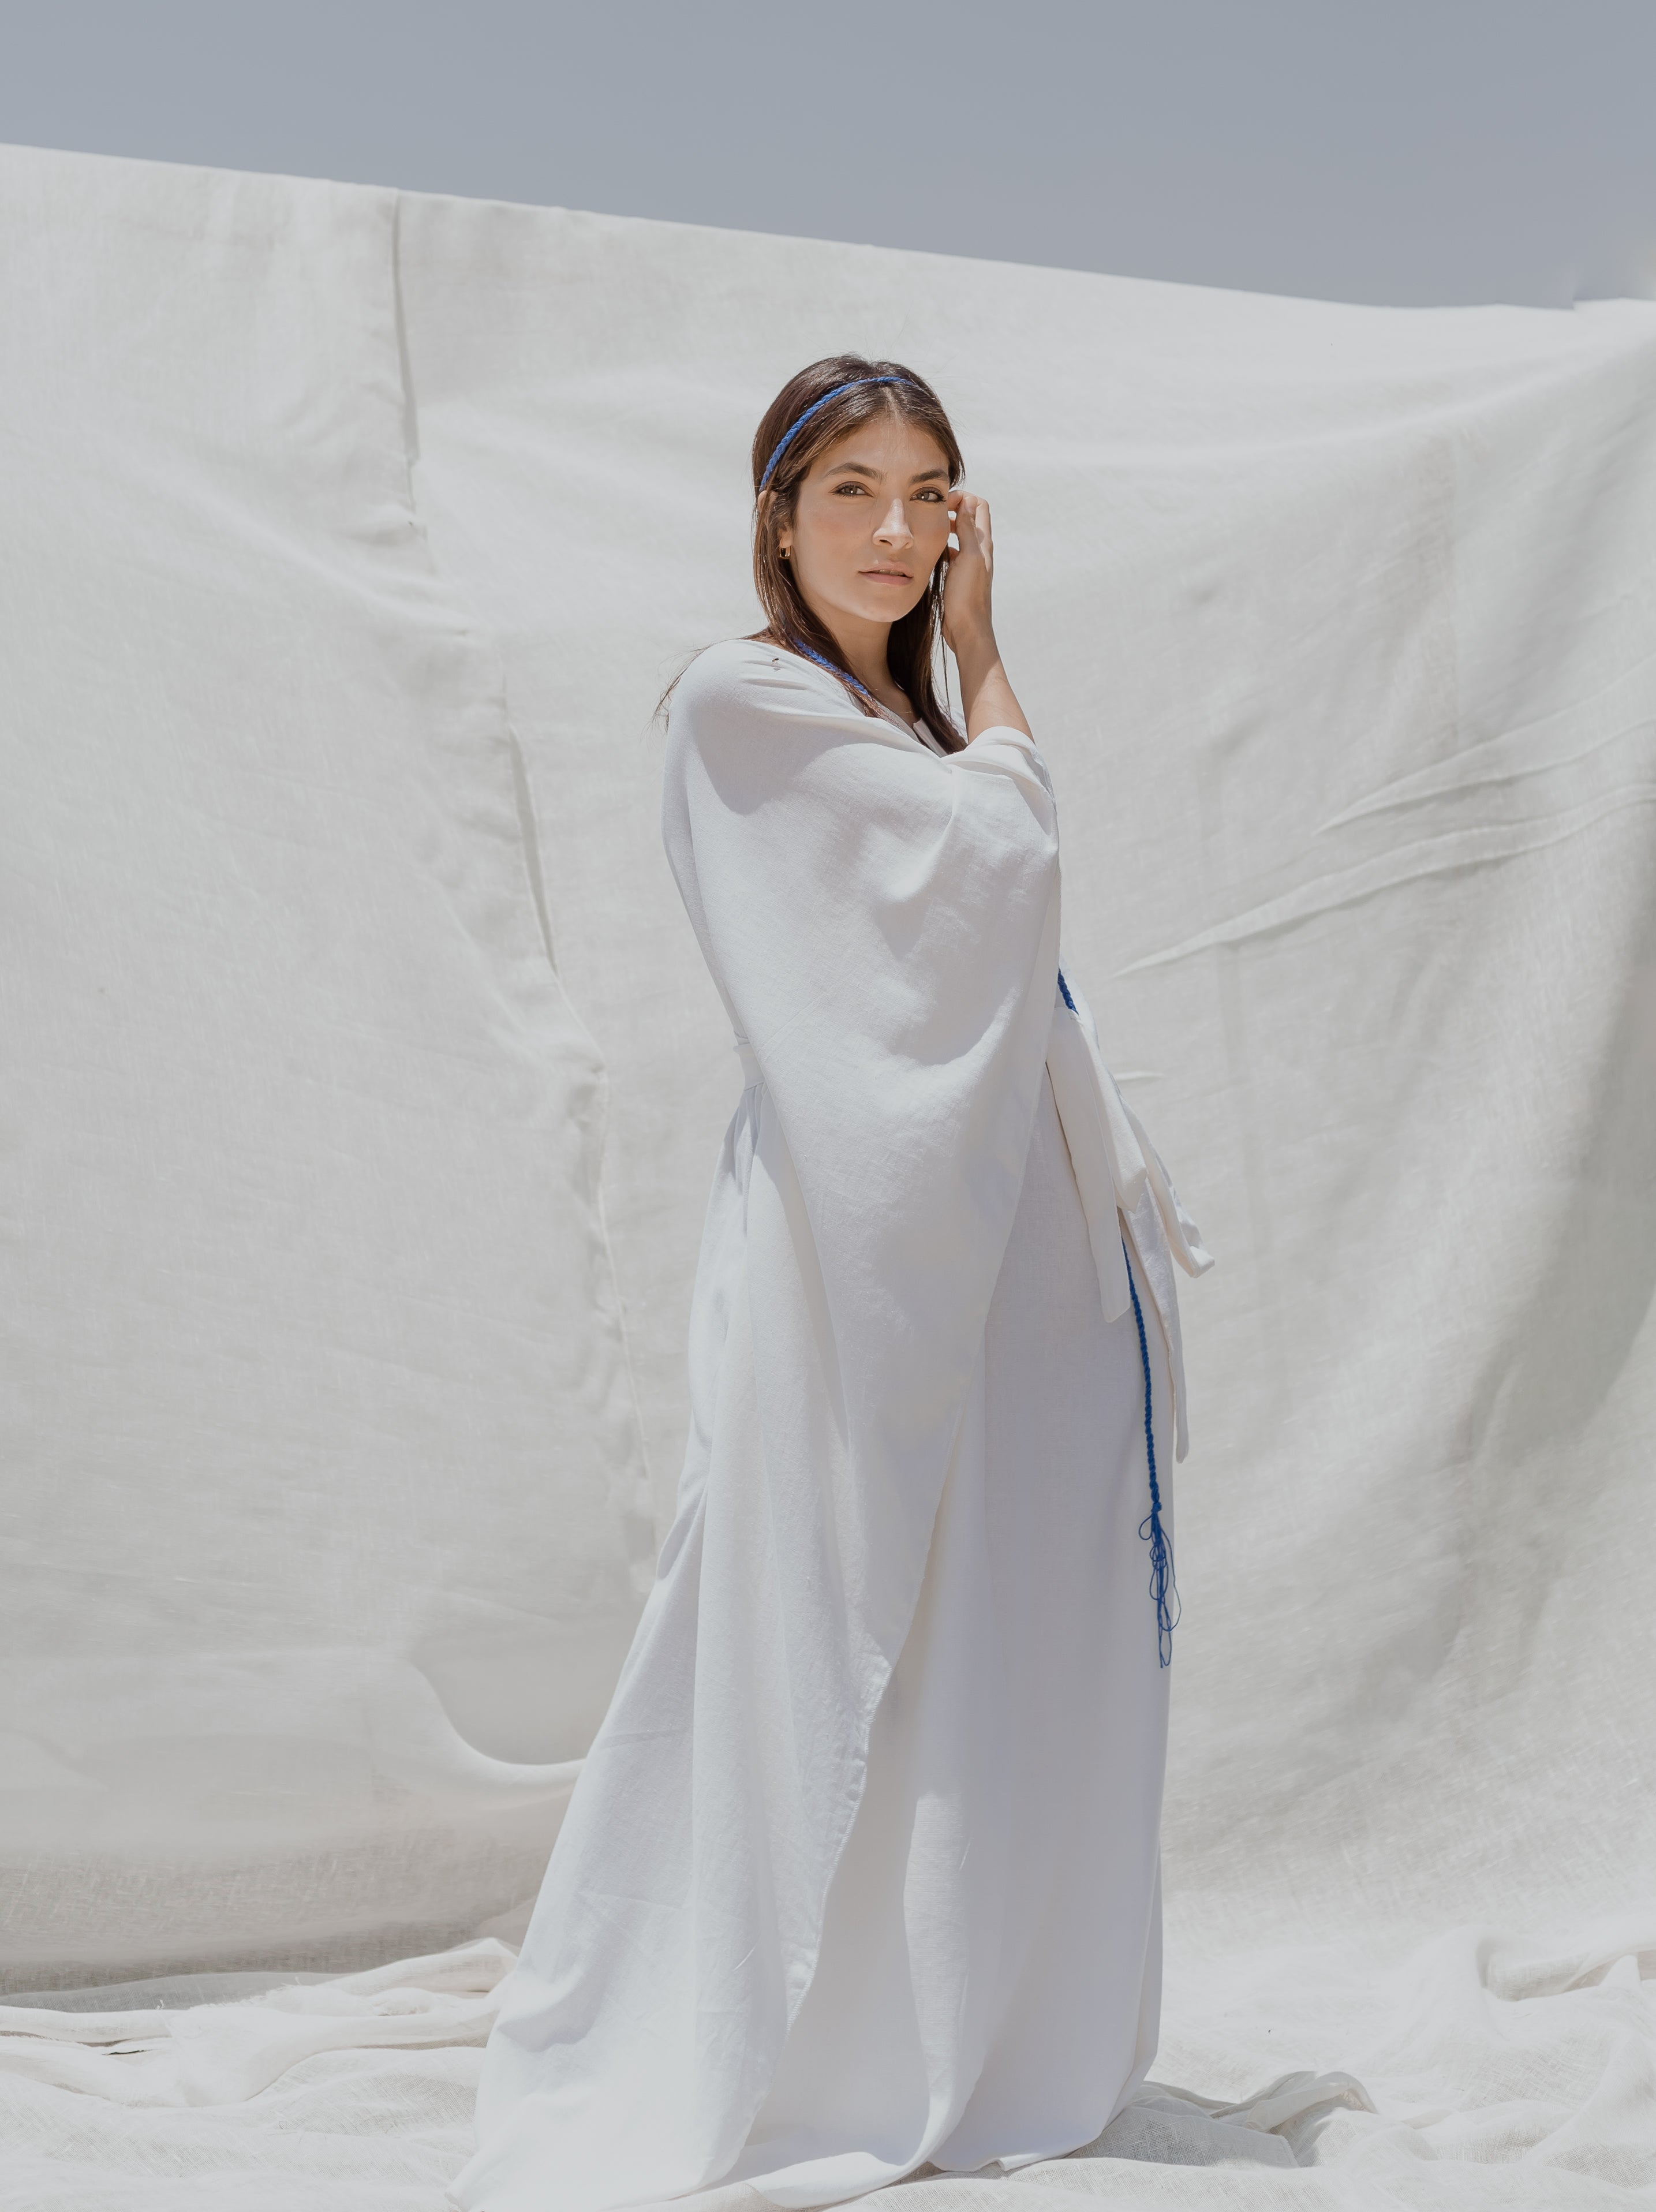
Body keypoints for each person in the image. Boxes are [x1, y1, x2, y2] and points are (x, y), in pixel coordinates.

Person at [450, 356, 1212, 2212]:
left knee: (996, 1620)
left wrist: (965, 689)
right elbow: (1001, 860)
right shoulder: (749, 704)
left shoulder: (904, 730)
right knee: (811, 1600)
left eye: (928, 491)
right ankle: (769, 2033)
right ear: (778, 520)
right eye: (850, 490)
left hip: (999, 1252)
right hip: (854, 1247)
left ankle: (954, 2017)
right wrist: (993, 662)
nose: (893, 528)